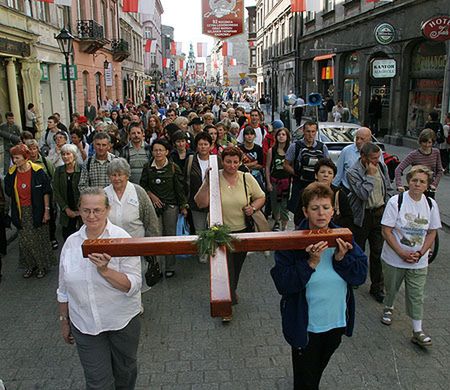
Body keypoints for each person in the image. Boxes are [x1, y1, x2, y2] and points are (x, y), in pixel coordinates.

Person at [271, 182, 367, 390]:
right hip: (306, 327)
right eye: (315, 208)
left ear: (333, 210)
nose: (321, 214)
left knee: (315, 372)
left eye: (326, 207)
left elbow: (360, 276)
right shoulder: (291, 242)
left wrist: (342, 259)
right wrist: (311, 263)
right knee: (306, 380)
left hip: (336, 323)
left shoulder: (342, 237)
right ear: (305, 211)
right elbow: (284, 284)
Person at [57, 187, 142, 389]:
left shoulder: (122, 239)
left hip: (121, 321)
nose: (91, 216)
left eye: (97, 210)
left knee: (125, 372)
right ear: (79, 210)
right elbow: (63, 288)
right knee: (97, 381)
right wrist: (64, 320)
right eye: (86, 210)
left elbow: (133, 285)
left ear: (107, 210)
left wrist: (106, 271)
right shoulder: (71, 243)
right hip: (85, 324)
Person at [195, 146, 265, 318]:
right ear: (222, 161)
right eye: (228, 162)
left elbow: (261, 196)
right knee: (225, 270)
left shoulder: (246, 178)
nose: (232, 166)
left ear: (240, 162)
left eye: (235, 162)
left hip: (242, 232)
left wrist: (253, 207)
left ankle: (231, 291)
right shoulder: (215, 177)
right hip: (219, 233)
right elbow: (200, 203)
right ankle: (227, 307)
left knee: (236, 267)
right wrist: (206, 182)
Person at [380, 166, 441, 347]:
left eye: (422, 181)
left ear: (427, 185)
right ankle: (388, 307)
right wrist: (401, 252)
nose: (417, 184)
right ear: (408, 181)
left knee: (416, 294)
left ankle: (417, 330)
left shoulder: (430, 204)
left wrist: (421, 253)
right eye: (414, 180)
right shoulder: (396, 201)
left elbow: (431, 233)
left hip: (418, 260)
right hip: (394, 257)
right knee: (391, 287)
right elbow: (386, 230)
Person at [104, 158, 160, 297]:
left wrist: (151, 246)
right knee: (115, 278)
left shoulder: (138, 192)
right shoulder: (104, 193)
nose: (116, 178)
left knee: (136, 278)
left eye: (120, 174)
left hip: (136, 244)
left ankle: (136, 304)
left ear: (127, 175)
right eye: (113, 175)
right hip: (111, 247)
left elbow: (151, 220)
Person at [347, 142, 393, 303]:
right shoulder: (353, 172)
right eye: (373, 159)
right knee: (358, 249)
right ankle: (355, 278)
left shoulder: (381, 166)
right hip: (362, 215)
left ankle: (377, 287)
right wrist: (370, 176)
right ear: (363, 157)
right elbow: (363, 194)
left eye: (378, 158)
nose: (376, 161)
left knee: (378, 251)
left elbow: (387, 187)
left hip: (379, 213)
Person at [4, 144, 55, 279]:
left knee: (37, 240)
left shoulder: (38, 171)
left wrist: (47, 211)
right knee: (25, 241)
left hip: (37, 210)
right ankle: (29, 266)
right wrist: (9, 176)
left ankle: (41, 266)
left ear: (25, 157)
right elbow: (8, 192)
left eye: (17, 158)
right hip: (21, 212)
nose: (15, 161)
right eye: (13, 158)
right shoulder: (12, 173)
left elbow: (46, 192)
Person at [140, 139, 188, 278]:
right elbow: (143, 186)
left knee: (170, 235)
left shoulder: (173, 167)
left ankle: (170, 266)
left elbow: (179, 189)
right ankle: (157, 267)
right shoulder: (147, 167)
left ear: (166, 151)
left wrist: (183, 206)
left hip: (170, 206)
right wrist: (151, 196)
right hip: (153, 207)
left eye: (161, 150)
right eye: (155, 150)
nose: (158, 152)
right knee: (155, 236)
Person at [294, 158, 354, 229]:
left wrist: (328, 224)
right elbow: (298, 218)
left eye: (330, 173)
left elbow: (349, 218)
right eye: (322, 172)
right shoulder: (307, 192)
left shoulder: (340, 193)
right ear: (316, 175)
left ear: (333, 177)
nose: (326, 175)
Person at [284, 121, 329, 213]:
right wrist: (297, 173)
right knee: (298, 211)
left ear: (316, 132)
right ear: (303, 131)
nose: (310, 134)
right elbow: (286, 164)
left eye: (313, 132)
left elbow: (327, 165)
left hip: (316, 185)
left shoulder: (322, 147)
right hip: (299, 184)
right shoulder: (295, 146)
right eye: (308, 131)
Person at [184, 132, 213, 261]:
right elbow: (185, 181)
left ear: (210, 146)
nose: (203, 147)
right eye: (200, 144)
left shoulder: (216, 160)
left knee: (213, 227)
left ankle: (213, 250)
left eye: (206, 144)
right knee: (200, 228)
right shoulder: (191, 160)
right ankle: (203, 252)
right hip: (195, 201)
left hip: (213, 200)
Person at [394, 128, 443, 192]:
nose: (427, 145)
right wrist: (399, 185)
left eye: (429, 142)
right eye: (424, 142)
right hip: (416, 186)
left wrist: (434, 184)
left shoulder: (436, 152)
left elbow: (440, 170)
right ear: (420, 141)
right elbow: (399, 169)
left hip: (429, 188)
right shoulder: (414, 154)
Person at [333, 127, 378, 193]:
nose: (358, 141)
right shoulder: (346, 151)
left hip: (371, 193)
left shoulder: (376, 152)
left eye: (362, 139)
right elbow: (338, 174)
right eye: (357, 138)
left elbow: (383, 176)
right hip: (349, 191)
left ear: (369, 140)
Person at [52, 144, 81, 241]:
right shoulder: (59, 171)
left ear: (74, 155)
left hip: (81, 211)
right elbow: (56, 191)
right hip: (66, 213)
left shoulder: (81, 169)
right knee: (68, 239)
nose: (65, 157)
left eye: (68, 154)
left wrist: (81, 209)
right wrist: (66, 208)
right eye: (63, 154)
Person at [265, 127, 291, 231]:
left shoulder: (290, 150)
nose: (281, 136)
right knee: (275, 203)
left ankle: (284, 225)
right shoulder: (272, 150)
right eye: (279, 135)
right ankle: (276, 221)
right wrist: (268, 183)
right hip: (275, 180)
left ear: (287, 137)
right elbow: (267, 167)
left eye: (283, 135)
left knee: (284, 205)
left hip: (286, 182)